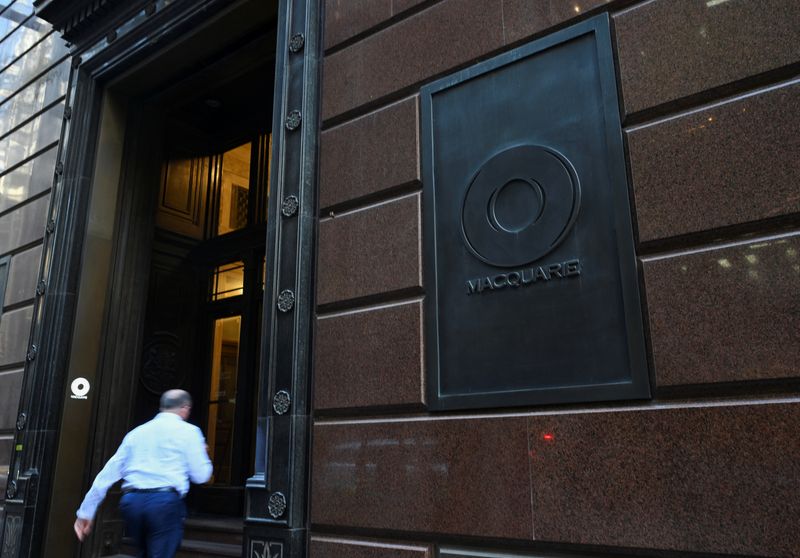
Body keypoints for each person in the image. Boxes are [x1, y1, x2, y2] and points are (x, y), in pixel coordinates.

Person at [74, 389, 212, 557]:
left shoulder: (136, 433)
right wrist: (204, 453)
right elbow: (201, 476)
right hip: (164, 504)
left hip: (132, 503)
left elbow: (107, 474)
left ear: (162, 407)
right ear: (185, 408)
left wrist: (86, 512)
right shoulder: (190, 432)